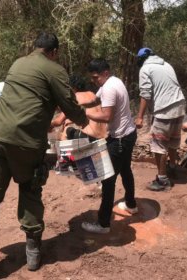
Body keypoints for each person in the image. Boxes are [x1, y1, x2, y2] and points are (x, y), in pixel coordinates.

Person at [0, 32, 88, 280]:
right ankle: (33, 255)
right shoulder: (55, 69)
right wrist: (83, 119)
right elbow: (70, 105)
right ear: (54, 52)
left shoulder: (18, 63)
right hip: (28, 143)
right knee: (30, 191)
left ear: (35, 47)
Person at [81, 58, 138, 234]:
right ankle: (131, 204)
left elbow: (107, 117)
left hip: (120, 140)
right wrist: (80, 105)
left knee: (108, 180)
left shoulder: (109, 88)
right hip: (129, 134)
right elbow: (95, 99)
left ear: (105, 73)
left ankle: (103, 223)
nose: (94, 80)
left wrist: (85, 115)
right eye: (92, 78)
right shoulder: (113, 82)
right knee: (126, 170)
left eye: (96, 77)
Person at [135, 47, 185, 191]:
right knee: (173, 141)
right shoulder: (166, 64)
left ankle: (162, 180)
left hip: (164, 110)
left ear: (141, 59)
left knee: (159, 145)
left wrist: (139, 117)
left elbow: (145, 94)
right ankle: (173, 168)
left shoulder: (145, 69)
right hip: (180, 106)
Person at [50, 75, 107, 142]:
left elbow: (59, 121)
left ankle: (65, 152)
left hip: (90, 137)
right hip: (104, 137)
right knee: (68, 122)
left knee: (66, 130)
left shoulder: (75, 97)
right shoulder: (93, 95)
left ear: (73, 88)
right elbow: (89, 114)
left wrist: (48, 125)